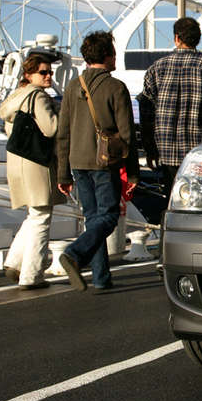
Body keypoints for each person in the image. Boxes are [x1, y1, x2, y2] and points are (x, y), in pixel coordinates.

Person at [56, 31, 139, 292]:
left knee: (93, 219)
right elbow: (127, 136)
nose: (116, 58)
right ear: (107, 56)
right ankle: (75, 253)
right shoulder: (116, 88)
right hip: (105, 164)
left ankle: (101, 277)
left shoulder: (72, 86)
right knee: (109, 216)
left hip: (77, 163)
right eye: (113, 53)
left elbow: (63, 133)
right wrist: (133, 173)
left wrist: (63, 175)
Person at [138, 17, 202, 196]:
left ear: (177, 38)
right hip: (196, 153)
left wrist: (150, 149)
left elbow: (146, 114)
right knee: (195, 200)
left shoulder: (156, 68)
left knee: (170, 199)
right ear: (198, 39)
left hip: (165, 152)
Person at [0, 54, 65, 290]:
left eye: (49, 72)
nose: (48, 76)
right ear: (29, 75)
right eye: (43, 72)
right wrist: (59, 112)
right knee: (42, 217)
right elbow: (51, 129)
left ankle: (15, 262)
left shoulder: (15, 97)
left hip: (17, 162)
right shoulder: (39, 97)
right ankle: (32, 274)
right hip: (37, 163)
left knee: (33, 214)